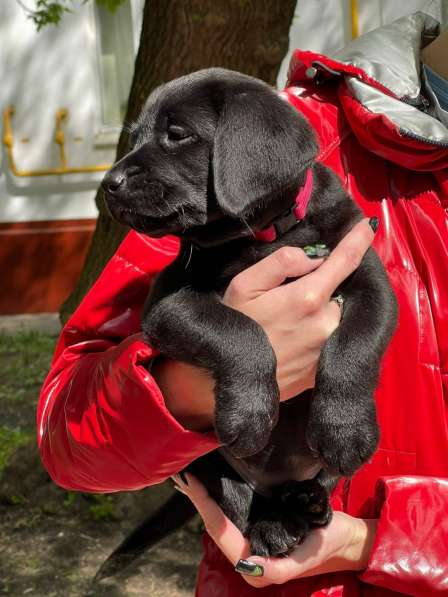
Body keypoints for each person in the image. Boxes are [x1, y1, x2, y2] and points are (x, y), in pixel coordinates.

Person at [37, 11, 448, 596]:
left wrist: (376, 540)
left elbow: (368, 302)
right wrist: (188, 391)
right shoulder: (234, 184)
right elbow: (70, 437)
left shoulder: (298, 191)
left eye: (174, 137)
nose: (121, 174)